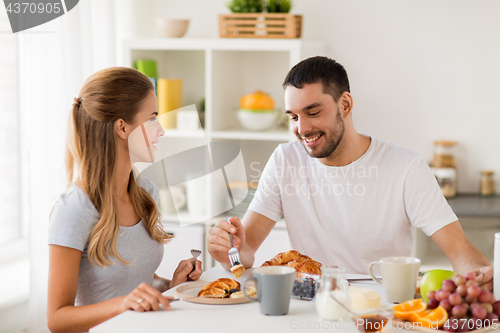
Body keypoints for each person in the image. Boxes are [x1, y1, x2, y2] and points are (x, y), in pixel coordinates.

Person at [207, 56, 493, 290]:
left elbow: (459, 250)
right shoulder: (285, 160)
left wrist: (481, 275)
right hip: (311, 304)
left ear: (345, 104)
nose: (302, 129)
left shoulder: (404, 166)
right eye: (294, 117)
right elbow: (247, 251)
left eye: (313, 112)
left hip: (381, 308)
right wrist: (229, 252)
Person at [47, 67, 203, 333]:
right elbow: (57, 319)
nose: (161, 130)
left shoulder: (145, 193)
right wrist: (122, 305)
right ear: (122, 127)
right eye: (153, 118)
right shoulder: (74, 209)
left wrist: (170, 284)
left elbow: (132, 282)